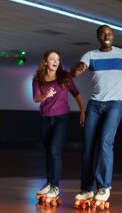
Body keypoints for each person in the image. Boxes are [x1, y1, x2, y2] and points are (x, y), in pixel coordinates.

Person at [71, 25, 122, 205]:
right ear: (98, 36)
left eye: (109, 33)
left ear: (113, 36)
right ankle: (87, 188)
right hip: (94, 105)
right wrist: (78, 70)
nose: (106, 35)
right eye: (103, 33)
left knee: (105, 141)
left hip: (115, 103)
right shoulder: (90, 55)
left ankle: (104, 186)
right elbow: (76, 72)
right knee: (88, 146)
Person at [33, 49, 85, 204]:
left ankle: (55, 186)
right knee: (48, 151)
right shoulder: (38, 79)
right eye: (51, 59)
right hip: (45, 118)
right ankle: (49, 183)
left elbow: (76, 93)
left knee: (55, 150)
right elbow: (36, 98)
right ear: (45, 62)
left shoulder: (65, 77)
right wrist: (44, 96)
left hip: (61, 118)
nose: (55, 61)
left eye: (57, 59)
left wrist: (83, 111)